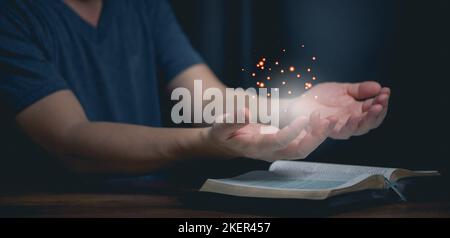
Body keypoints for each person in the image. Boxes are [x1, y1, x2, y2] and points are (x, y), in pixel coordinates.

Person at [0, 0, 390, 177]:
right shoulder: (13, 14)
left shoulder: (141, 6)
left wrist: (291, 110)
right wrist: (206, 141)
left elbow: (208, 98)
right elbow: (71, 140)